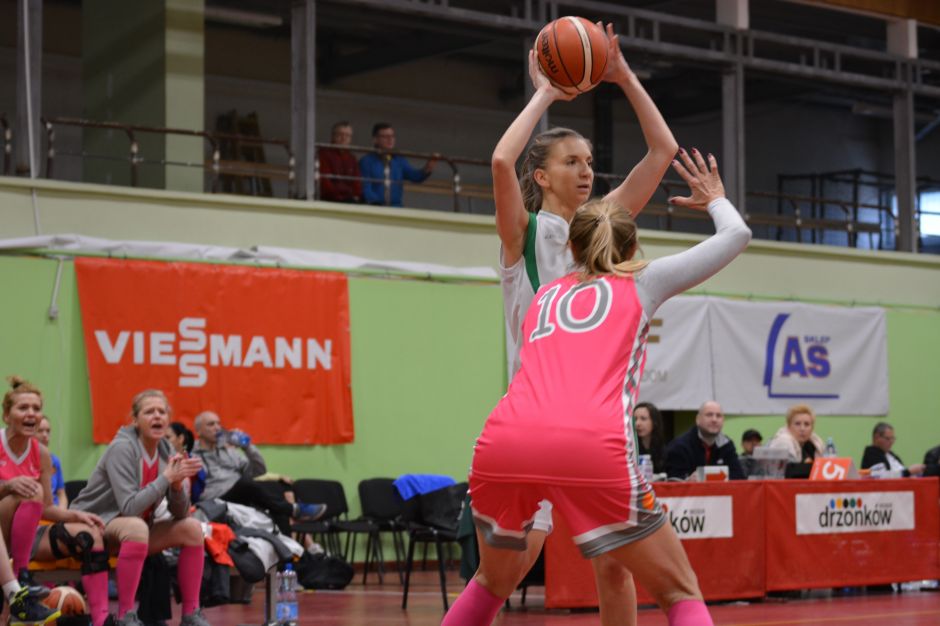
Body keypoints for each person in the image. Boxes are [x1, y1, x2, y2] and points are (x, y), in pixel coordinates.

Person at [443, 147, 750, 626]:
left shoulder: (545, 295)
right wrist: (714, 198)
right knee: (679, 592)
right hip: (587, 443)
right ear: (631, 248)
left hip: (504, 441)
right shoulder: (641, 281)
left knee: (490, 584)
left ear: (572, 248)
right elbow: (736, 235)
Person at [488, 23, 680, 625]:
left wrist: (623, 75)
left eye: (590, 161)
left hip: (596, 424)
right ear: (542, 176)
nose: (586, 171)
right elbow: (501, 159)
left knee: (616, 567)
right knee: (506, 573)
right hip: (535, 420)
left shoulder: (599, 232)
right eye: (571, 161)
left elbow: (662, 152)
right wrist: (545, 92)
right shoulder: (524, 235)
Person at [70, 389, 210, 626]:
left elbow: (180, 513)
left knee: (192, 528)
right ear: (135, 420)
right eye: (149, 412)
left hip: (132, 531)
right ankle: (126, 615)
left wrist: (177, 486)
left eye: (161, 412)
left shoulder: (167, 450)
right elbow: (129, 507)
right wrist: (166, 478)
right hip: (94, 525)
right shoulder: (122, 448)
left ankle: (191, 613)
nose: (157, 416)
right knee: (136, 526)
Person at [1, 377, 109, 626]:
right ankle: (19, 582)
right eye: (23, 407)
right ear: (7, 416)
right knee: (30, 490)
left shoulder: (41, 453)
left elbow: (47, 508)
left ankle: (101, 618)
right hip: (2, 524)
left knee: (86, 532)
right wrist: (7, 486)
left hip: (19, 538)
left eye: (36, 408)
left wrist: (76, 515)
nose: (31, 413)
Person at [191, 411, 325, 535]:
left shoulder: (229, 452)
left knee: (276, 493)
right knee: (247, 484)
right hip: (216, 499)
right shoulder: (193, 456)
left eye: (219, 423)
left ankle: (287, 549)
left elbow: (259, 471)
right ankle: (294, 510)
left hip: (242, 495)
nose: (217, 428)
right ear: (199, 431)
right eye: (211, 424)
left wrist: (247, 446)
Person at [358, 123, 437, 207]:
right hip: (375, 208)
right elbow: (366, 189)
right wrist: (378, 206)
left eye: (392, 136)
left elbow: (415, 177)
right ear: (375, 140)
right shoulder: (366, 162)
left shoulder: (399, 160)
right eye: (385, 136)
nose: (390, 139)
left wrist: (427, 168)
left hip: (396, 208)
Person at [665, 401, 745, 481]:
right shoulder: (680, 446)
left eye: (718, 416)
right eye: (709, 415)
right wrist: (687, 481)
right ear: (698, 419)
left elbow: (739, 477)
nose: (714, 419)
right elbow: (673, 481)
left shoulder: (726, 444)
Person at [317, 121, 362, 203]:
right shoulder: (324, 154)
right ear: (333, 136)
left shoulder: (352, 158)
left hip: (349, 199)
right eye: (340, 134)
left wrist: (355, 195)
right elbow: (325, 183)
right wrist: (341, 195)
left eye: (347, 135)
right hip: (330, 200)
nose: (344, 138)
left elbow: (357, 183)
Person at [34, 416, 66, 508]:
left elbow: (61, 494)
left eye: (48, 431)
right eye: (40, 431)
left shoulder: (55, 461)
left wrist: (62, 511)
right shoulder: (24, 460)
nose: (45, 435)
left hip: (55, 509)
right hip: (38, 509)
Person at [634, 402, 666, 475]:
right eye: (635, 419)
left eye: (643, 419)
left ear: (654, 422)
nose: (637, 423)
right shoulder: (629, 449)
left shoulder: (665, 449)